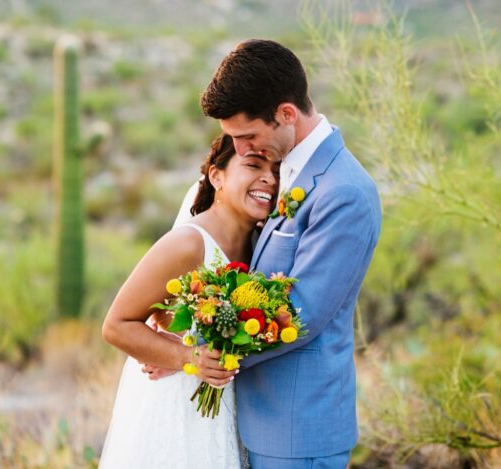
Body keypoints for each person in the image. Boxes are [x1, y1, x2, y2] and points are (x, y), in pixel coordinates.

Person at [155, 39, 381, 468]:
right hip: (259, 422)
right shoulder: (290, 172)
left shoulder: (344, 192)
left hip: (297, 432)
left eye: (247, 136)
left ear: (286, 115)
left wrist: (195, 353)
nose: (242, 150)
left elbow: (299, 313)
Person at [100, 133, 281, 468]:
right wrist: (187, 356)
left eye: (277, 169)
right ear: (216, 176)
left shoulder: (263, 245)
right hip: (179, 411)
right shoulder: (188, 244)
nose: (269, 178)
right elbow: (116, 325)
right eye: (254, 165)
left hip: (232, 413)